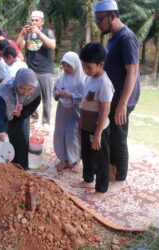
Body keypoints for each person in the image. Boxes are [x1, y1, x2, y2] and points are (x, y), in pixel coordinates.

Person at [94, 0, 140, 191]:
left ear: (112, 16)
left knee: (119, 137)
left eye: (100, 20)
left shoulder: (126, 38)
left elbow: (132, 72)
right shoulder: (113, 36)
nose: (98, 24)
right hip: (114, 96)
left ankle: (120, 179)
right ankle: (112, 171)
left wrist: (122, 104)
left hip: (123, 98)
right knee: (111, 135)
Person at [72, 42, 114, 201]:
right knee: (87, 154)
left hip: (98, 129)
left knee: (101, 158)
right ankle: (88, 180)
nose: (85, 70)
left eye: (88, 67)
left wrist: (98, 134)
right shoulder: (89, 78)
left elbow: (105, 110)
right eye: (83, 67)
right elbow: (85, 103)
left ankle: (101, 190)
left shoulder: (104, 83)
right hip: (86, 126)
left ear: (100, 64)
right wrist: (81, 123)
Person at [0, 68, 41, 170]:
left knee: (22, 140)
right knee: (6, 141)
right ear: (16, 84)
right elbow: (0, 112)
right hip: (6, 117)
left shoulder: (36, 87)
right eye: (22, 88)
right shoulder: (5, 89)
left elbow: (34, 104)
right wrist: (2, 130)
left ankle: (22, 167)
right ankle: (7, 169)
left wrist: (22, 113)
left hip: (22, 115)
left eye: (29, 89)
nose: (26, 93)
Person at [16, 10, 56, 125]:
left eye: (36, 20)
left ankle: (46, 121)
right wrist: (22, 34)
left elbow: (52, 45)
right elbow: (19, 46)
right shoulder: (28, 34)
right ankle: (32, 116)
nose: (33, 22)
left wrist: (39, 33)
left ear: (42, 22)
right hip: (31, 71)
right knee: (29, 95)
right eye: (32, 20)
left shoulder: (48, 32)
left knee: (46, 97)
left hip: (45, 71)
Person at [53, 52, 85, 172]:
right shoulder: (61, 78)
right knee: (60, 134)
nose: (66, 69)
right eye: (64, 66)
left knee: (73, 135)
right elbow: (55, 91)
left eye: (69, 66)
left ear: (76, 65)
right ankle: (64, 159)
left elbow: (84, 96)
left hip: (75, 111)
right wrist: (56, 94)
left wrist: (71, 95)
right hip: (62, 111)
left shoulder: (81, 80)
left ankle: (75, 160)